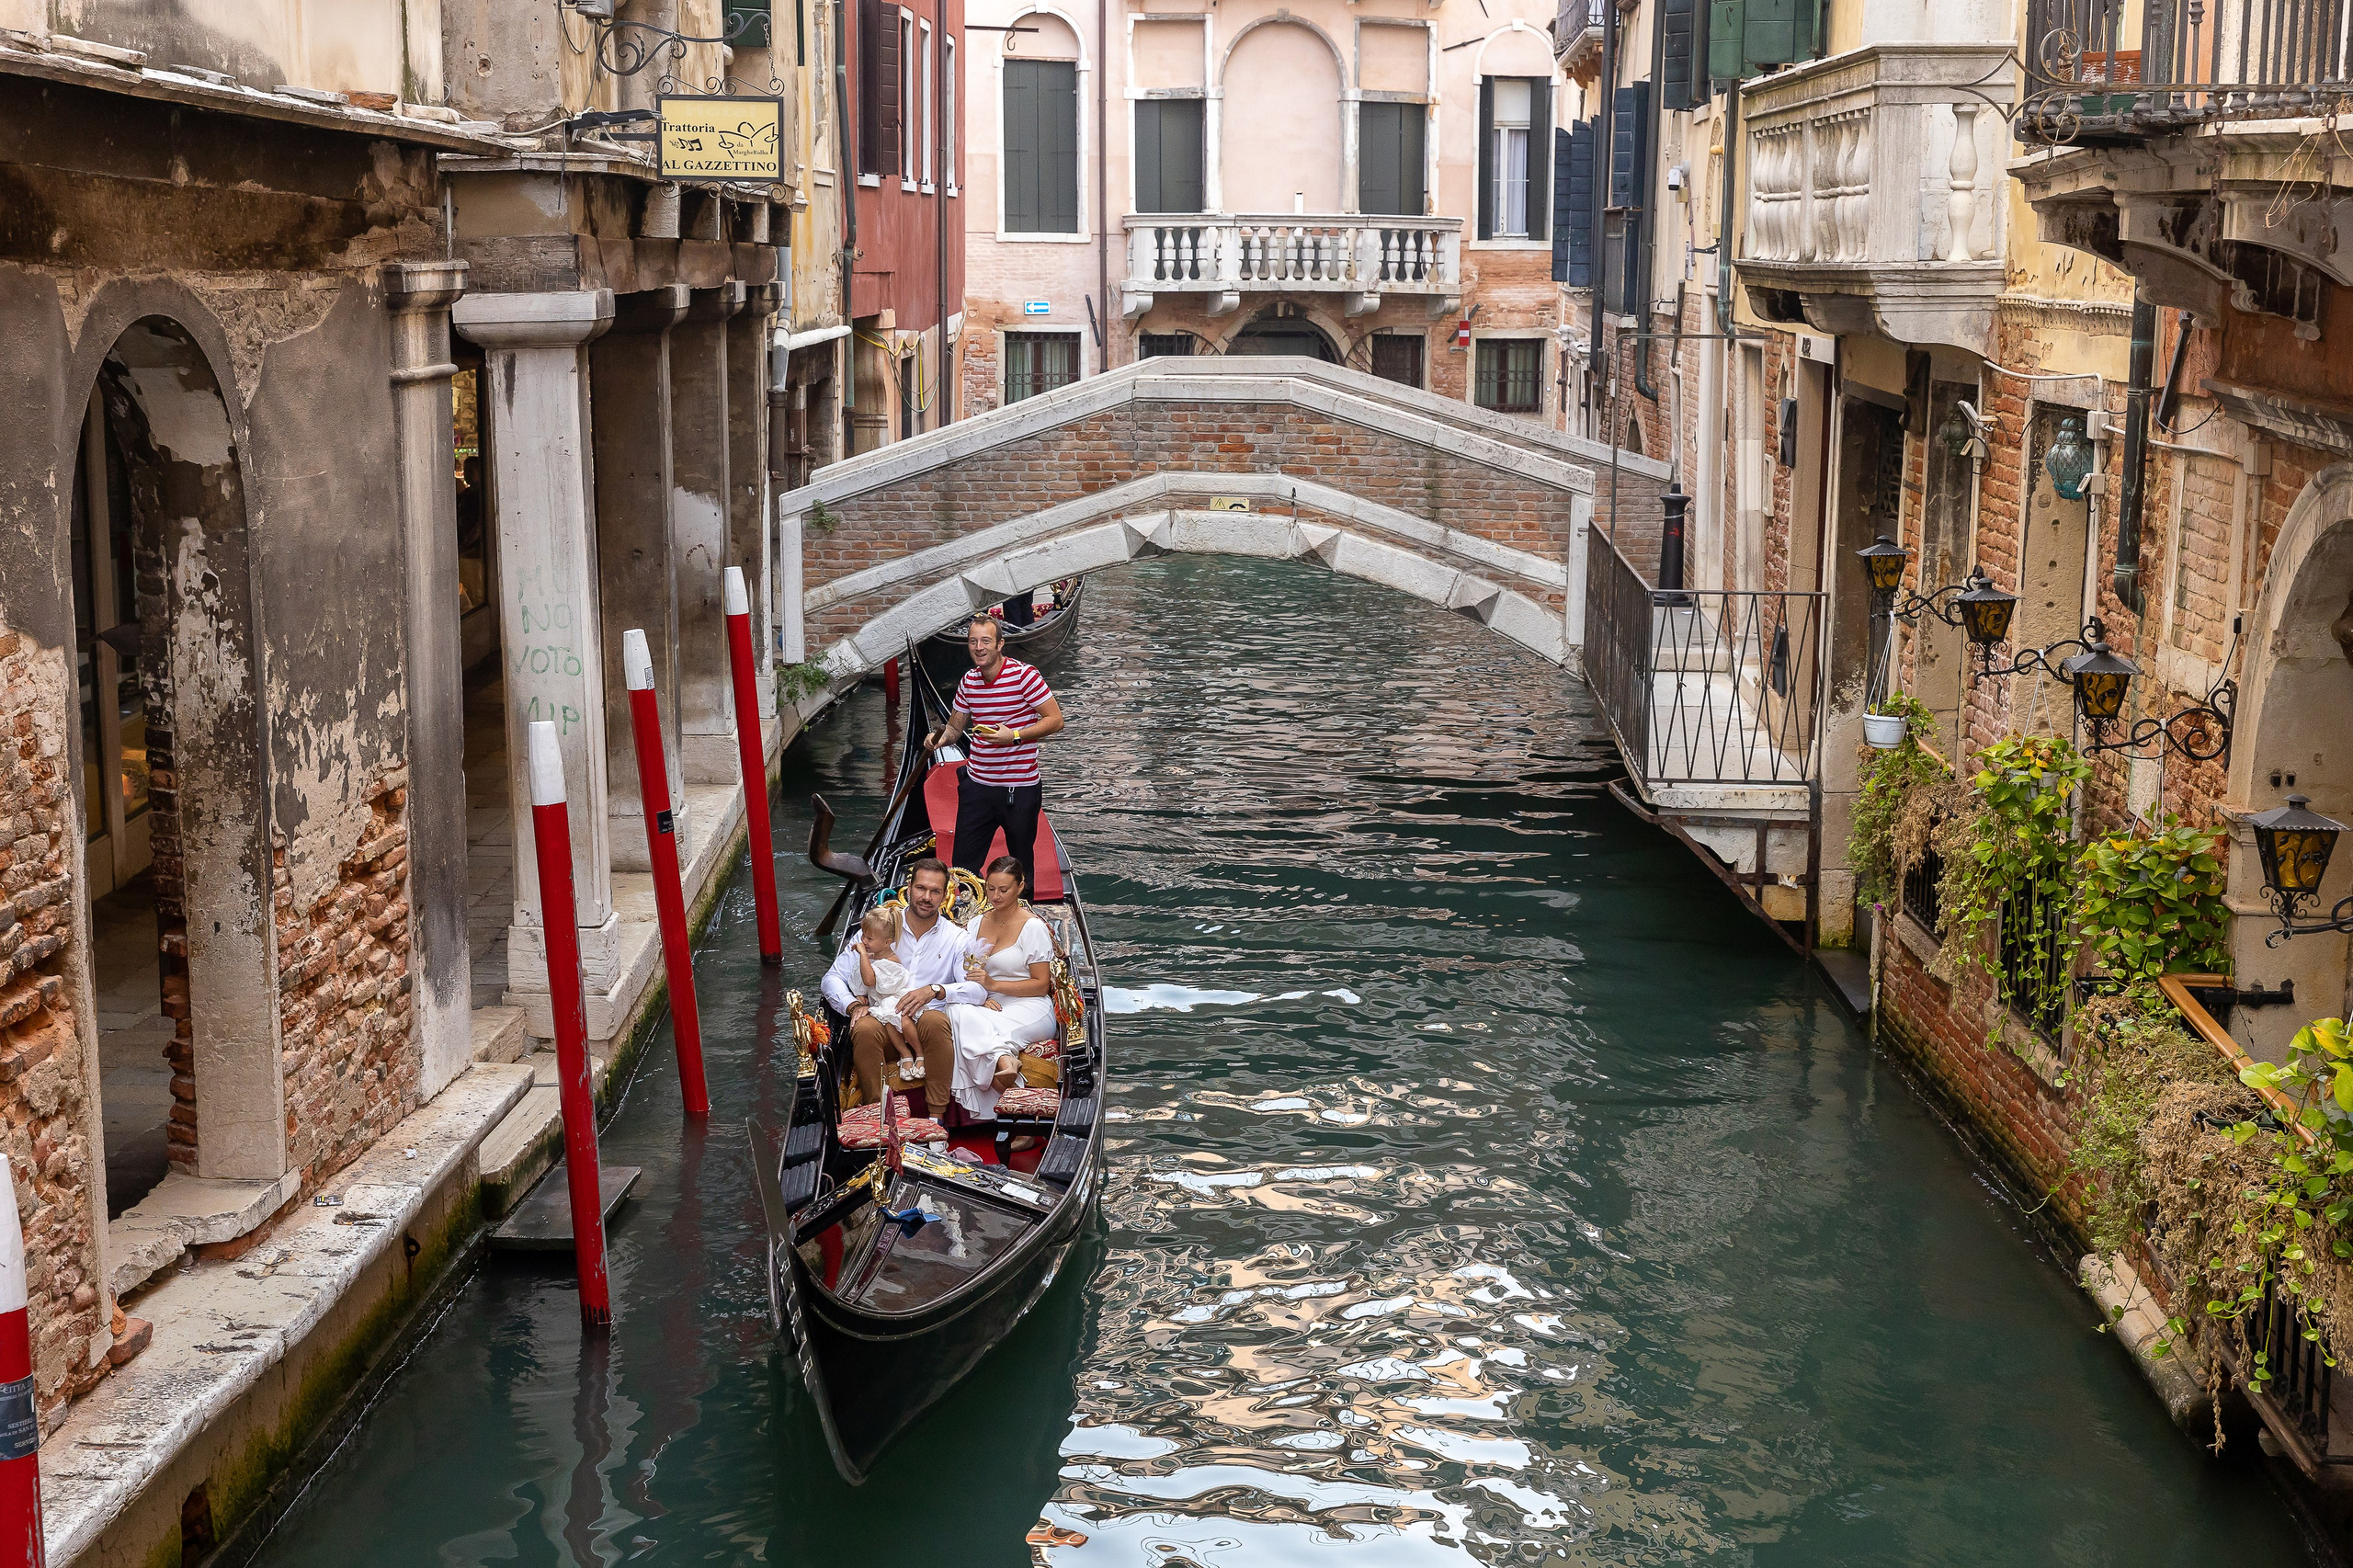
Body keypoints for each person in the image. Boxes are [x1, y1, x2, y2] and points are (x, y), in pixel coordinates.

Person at [818, 858, 982, 1115]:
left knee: (935, 1021)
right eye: (921, 888)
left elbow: (977, 991)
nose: (926, 897)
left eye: (935, 891)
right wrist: (852, 1006)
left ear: (945, 895)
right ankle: (879, 1117)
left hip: (927, 1026)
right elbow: (832, 979)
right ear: (910, 887)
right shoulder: (879, 929)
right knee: (865, 1027)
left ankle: (937, 1116)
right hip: (883, 1023)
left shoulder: (957, 938)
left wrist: (935, 990)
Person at [924, 615, 1064, 889]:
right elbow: (954, 729)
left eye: (986, 641)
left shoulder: (1025, 676)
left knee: (1020, 871)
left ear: (1000, 644)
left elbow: (1055, 720)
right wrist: (938, 739)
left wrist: (1013, 736)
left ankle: (1019, 913)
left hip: (1019, 789)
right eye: (973, 642)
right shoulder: (968, 681)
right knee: (962, 870)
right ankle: (972, 910)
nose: (979, 647)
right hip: (978, 787)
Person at [940, 857, 1061, 1131]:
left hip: (1030, 1005)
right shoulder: (975, 924)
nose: (995, 896)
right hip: (987, 1004)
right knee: (954, 1010)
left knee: (970, 1031)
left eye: (1004, 890)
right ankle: (1008, 1074)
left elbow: (1042, 984)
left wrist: (993, 985)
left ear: (1020, 887)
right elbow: (964, 972)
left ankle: (1014, 1105)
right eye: (991, 888)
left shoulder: (1033, 928)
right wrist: (982, 996)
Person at [849, 908, 921, 1084]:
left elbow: (869, 980)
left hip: (897, 1000)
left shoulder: (892, 961)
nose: (864, 941)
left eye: (869, 939)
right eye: (863, 936)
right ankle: (905, 1054)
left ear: (887, 942)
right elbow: (862, 982)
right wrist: (860, 997)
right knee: (888, 1022)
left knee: (902, 1019)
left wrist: (863, 954)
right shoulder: (871, 958)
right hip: (883, 1006)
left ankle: (920, 1054)